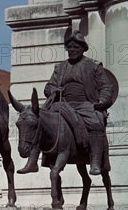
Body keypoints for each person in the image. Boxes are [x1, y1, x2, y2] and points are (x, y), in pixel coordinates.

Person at [17, 31, 114, 176]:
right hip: (62, 104)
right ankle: (32, 162)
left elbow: (106, 87)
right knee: (39, 120)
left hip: (85, 104)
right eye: (69, 47)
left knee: (95, 123)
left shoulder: (93, 66)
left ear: (82, 48)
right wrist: (54, 90)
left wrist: (102, 101)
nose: (72, 50)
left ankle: (95, 162)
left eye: (76, 47)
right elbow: (48, 87)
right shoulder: (60, 68)